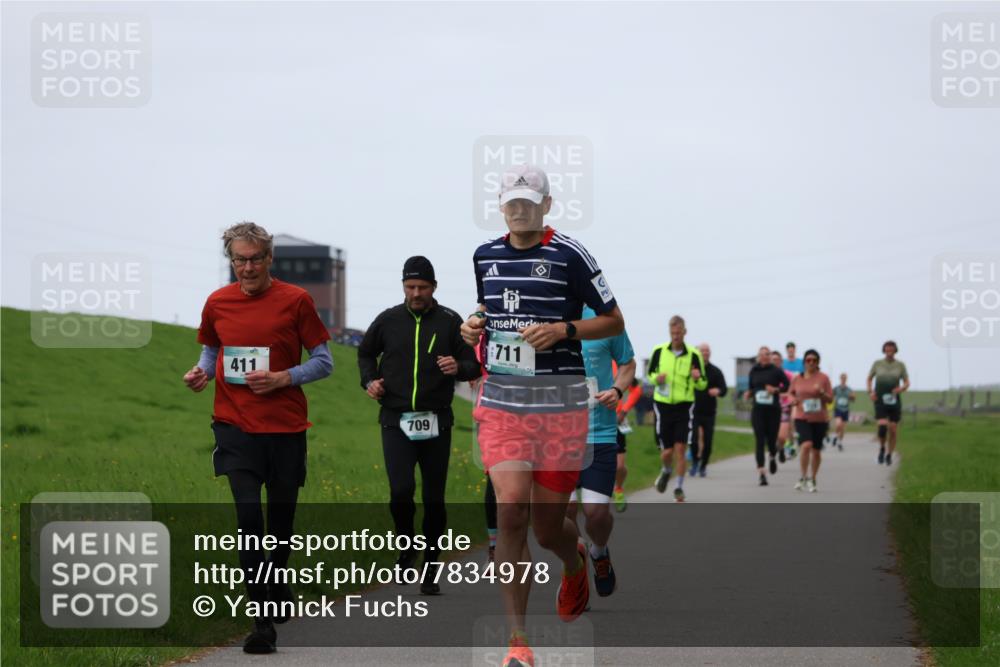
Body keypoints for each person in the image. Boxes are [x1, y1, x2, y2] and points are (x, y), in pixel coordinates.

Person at [460, 164, 625, 667]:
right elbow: (491, 311)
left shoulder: (570, 254)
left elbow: (614, 320)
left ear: (547, 205)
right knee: (511, 508)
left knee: (550, 529)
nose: (520, 209)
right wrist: (473, 326)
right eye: (511, 202)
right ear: (501, 206)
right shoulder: (484, 255)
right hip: (504, 403)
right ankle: (517, 643)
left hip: (559, 406)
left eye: (529, 201)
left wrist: (564, 331)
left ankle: (573, 562)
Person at [183, 222, 333, 654]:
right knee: (250, 523)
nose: (246, 268)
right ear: (230, 260)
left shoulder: (296, 301)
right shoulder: (218, 302)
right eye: (238, 259)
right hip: (234, 427)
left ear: (269, 259)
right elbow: (213, 350)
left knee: (279, 528)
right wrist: (202, 372)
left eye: (254, 259)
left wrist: (285, 376)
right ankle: (261, 622)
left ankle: (277, 581)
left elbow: (323, 361)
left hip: (285, 429)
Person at [358, 256, 480, 595]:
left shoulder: (450, 321)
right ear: (403, 287)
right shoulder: (388, 320)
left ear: (434, 287)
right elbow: (365, 354)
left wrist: (459, 366)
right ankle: (406, 544)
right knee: (400, 492)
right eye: (410, 287)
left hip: (436, 420)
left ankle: (430, 564)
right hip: (396, 419)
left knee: (434, 498)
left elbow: (474, 364)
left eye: (422, 287)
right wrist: (369, 381)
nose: (416, 293)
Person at [567, 306, 636, 598]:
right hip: (556, 435)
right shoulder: (546, 313)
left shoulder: (605, 319)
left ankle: (598, 551)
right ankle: (574, 572)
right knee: (565, 514)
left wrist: (618, 390)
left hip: (599, 432)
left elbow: (627, 363)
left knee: (595, 513)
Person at [649, 315, 708, 502]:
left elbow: (703, 385)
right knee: (667, 452)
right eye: (672, 333)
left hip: (684, 406)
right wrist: (655, 379)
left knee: (681, 448)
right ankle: (666, 470)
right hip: (663, 405)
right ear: (669, 332)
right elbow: (650, 374)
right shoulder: (658, 351)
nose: (675, 336)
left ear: (684, 332)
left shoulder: (694, 355)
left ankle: (679, 488)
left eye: (678, 333)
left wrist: (697, 378)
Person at [743, 346, 790, 486]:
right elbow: (751, 387)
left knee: (771, 439)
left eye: (767, 354)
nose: (764, 356)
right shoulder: (754, 370)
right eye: (762, 354)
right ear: (758, 356)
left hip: (773, 411)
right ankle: (762, 473)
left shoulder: (776, 371)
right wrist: (749, 393)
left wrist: (776, 389)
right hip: (758, 410)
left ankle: (772, 457)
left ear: (770, 356)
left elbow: (787, 386)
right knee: (759, 440)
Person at [789, 349, 833, 493]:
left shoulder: (823, 378)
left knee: (816, 451)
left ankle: (812, 478)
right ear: (804, 362)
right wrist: (793, 400)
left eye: (814, 360)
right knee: (806, 445)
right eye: (808, 360)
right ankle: (802, 476)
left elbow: (830, 399)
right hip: (802, 417)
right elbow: (790, 393)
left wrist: (822, 393)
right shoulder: (797, 378)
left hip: (820, 418)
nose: (811, 363)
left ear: (818, 362)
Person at [867, 341, 910, 465]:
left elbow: (907, 382)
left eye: (891, 349)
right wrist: (870, 391)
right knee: (882, 427)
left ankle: (889, 454)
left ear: (895, 350)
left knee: (893, 429)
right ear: (884, 350)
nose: (889, 351)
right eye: (887, 349)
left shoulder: (900, 365)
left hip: (894, 399)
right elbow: (869, 378)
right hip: (880, 398)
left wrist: (901, 388)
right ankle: (882, 448)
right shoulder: (877, 363)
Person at [691, 342, 728, 477]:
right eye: (702, 351)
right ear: (697, 353)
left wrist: (718, 390)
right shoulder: (692, 369)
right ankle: (695, 462)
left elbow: (724, 389)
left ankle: (703, 465)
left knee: (708, 441)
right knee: (694, 439)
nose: (705, 353)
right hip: (693, 410)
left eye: (707, 351)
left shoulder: (716, 371)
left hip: (709, 412)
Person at [613, 377, 641, 512]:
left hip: (616, 421)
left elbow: (636, 390)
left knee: (619, 466)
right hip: (592, 420)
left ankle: (618, 489)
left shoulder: (618, 364)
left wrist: (624, 411)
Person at [772, 350, 794, 462]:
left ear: (781, 361)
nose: (775, 362)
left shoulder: (788, 375)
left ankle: (780, 447)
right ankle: (779, 450)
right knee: (772, 435)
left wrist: (782, 395)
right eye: (773, 360)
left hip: (784, 407)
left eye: (777, 360)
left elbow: (793, 391)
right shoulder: (767, 375)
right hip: (770, 408)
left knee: (782, 436)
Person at [832, 373, 855, 451]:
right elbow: (831, 395)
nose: (843, 379)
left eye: (844, 378)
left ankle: (840, 443)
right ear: (840, 379)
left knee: (843, 428)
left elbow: (853, 399)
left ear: (846, 379)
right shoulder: (836, 388)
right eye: (842, 378)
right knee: (838, 424)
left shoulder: (849, 389)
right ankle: (835, 436)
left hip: (845, 409)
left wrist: (852, 397)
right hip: (838, 408)